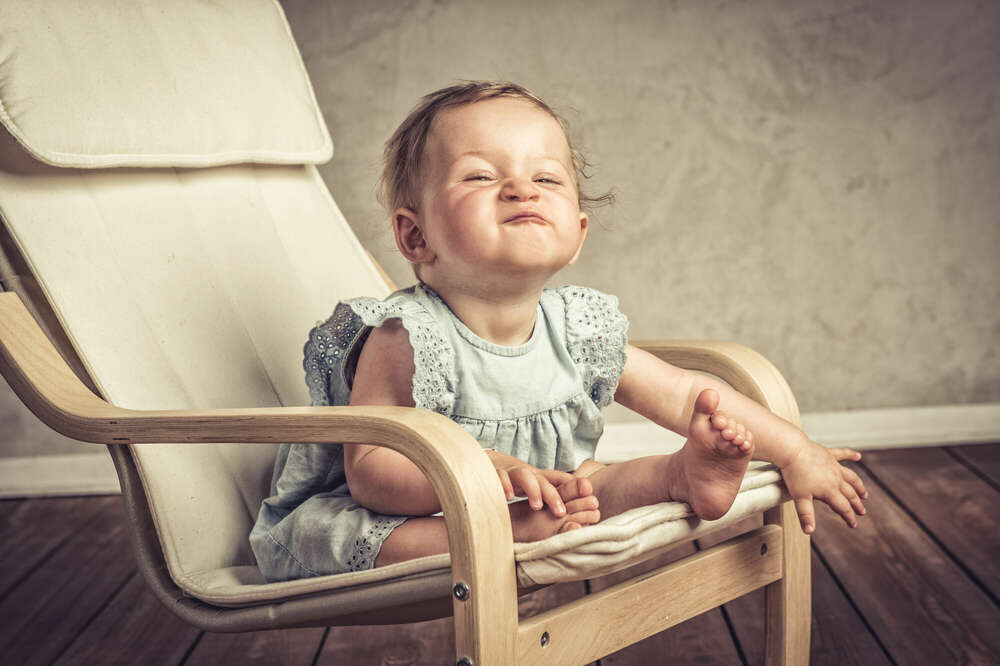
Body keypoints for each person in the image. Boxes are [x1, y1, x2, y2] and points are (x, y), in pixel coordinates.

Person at [250, 81, 867, 581]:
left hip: (556, 502)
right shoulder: (406, 336)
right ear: (416, 237)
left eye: (546, 178)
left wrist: (795, 451)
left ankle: (681, 475)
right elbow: (371, 469)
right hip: (409, 518)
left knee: (598, 482)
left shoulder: (578, 328)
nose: (520, 187)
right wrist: (486, 475)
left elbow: (686, 396)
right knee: (366, 537)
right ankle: (511, 536)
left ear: (577, 232)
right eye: (479, 176)